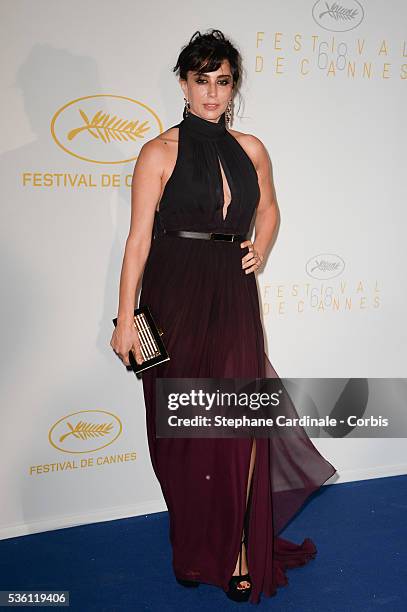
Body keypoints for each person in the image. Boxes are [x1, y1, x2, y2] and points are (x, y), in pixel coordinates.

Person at [110, 28, 337, 604]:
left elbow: (270, 207)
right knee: (184, 432)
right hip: (173, 295)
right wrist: (123, 319)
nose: (212, 92)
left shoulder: (252, 148)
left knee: (238, 424)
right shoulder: (158, 152)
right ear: (183, 84)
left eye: (223, 80)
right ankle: (192, 546)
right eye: (201, 80)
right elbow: (138, 241)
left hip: (232, 295)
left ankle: (238, 550)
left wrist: (260, 246)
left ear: (232, 87)